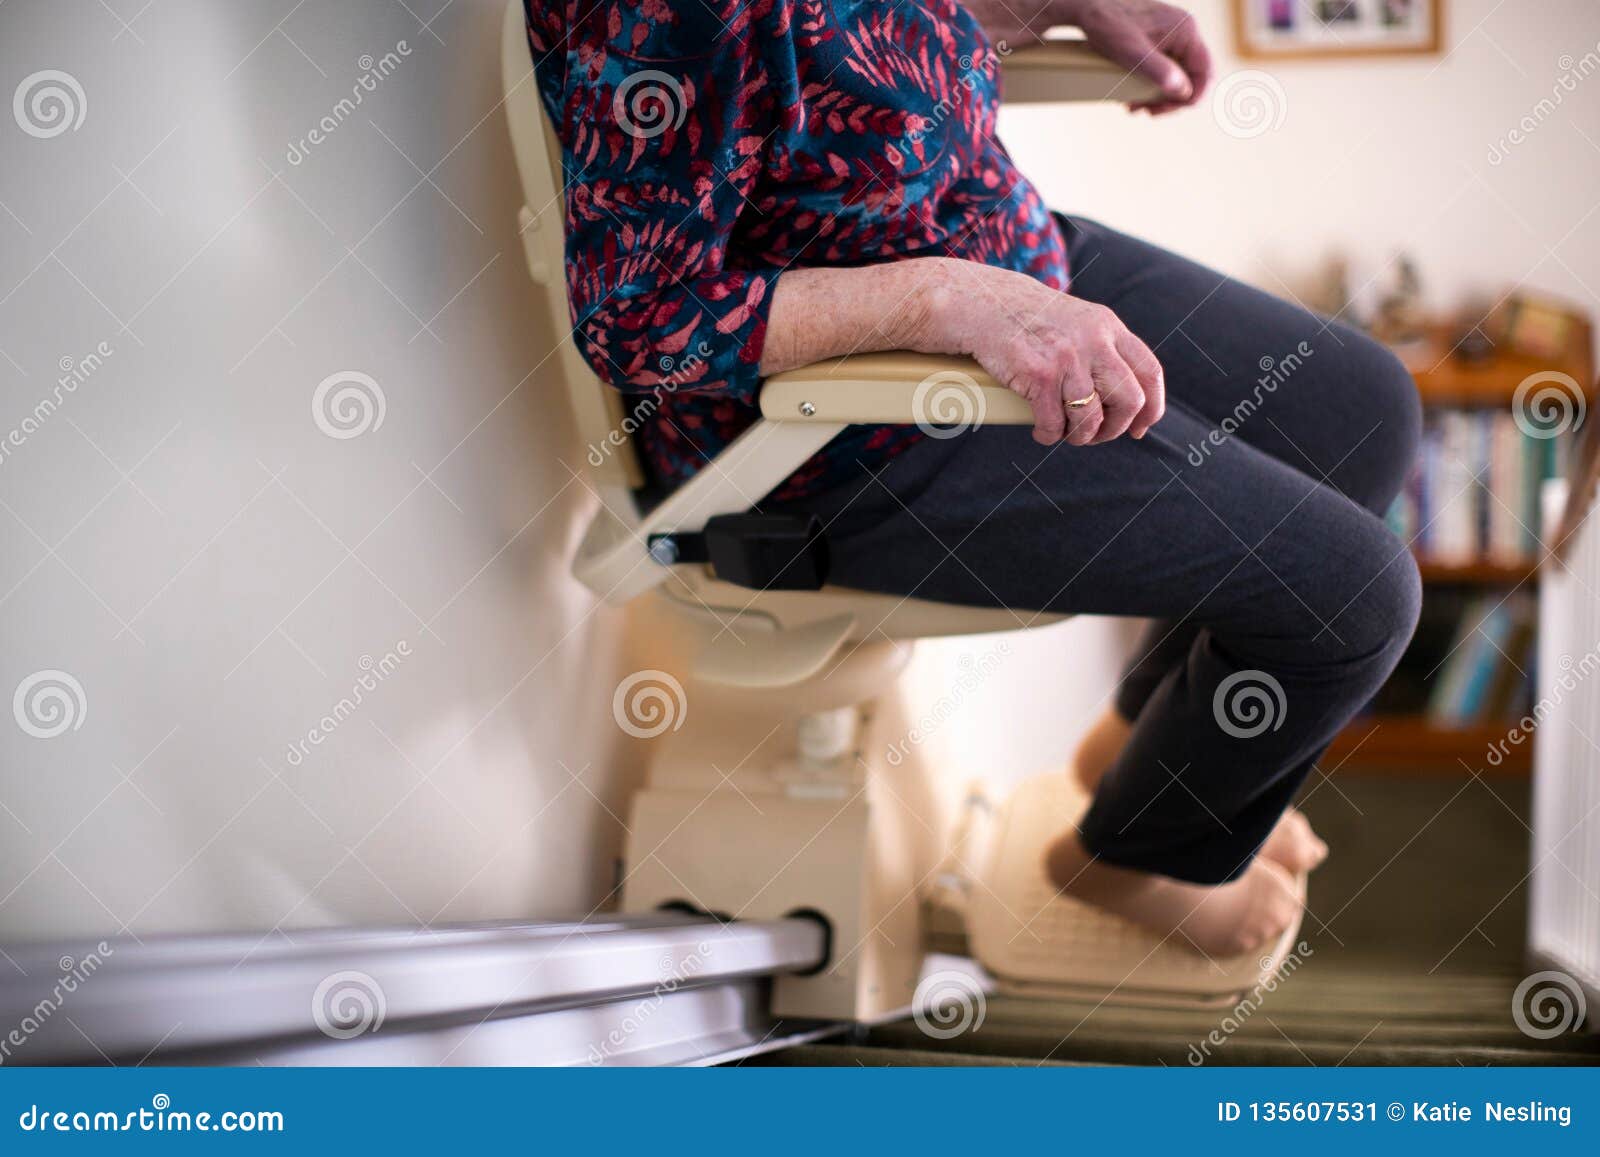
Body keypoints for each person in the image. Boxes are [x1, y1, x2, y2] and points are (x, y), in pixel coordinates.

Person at [524, 0, 1421, 956]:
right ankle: (1128, 855)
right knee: (1353, 598)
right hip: (850, 428)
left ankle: (1135, 755)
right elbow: (639, 321)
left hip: (1004, 248)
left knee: (1362, 409)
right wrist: (949, 298)